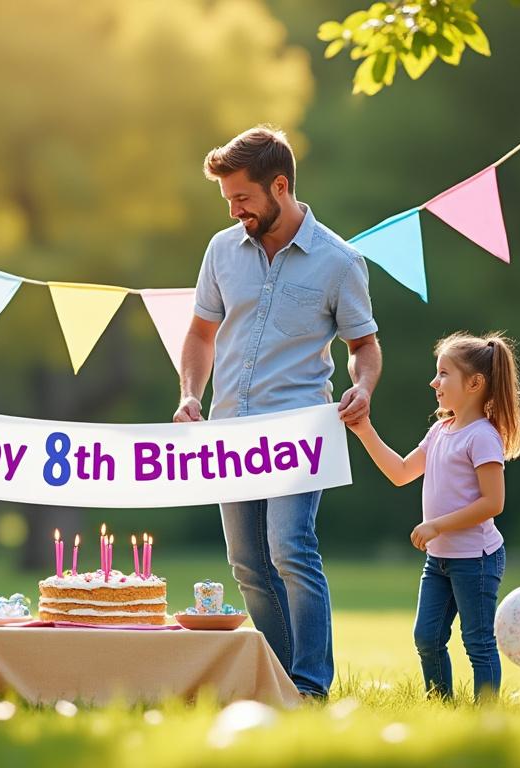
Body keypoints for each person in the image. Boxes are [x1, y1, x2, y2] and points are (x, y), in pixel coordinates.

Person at [174, 125, 382, 698]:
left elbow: (364, 346)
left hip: (299, 429)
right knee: (246, 562)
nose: (236, 210)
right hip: (230, 430)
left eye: (243, 198)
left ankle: (312, 687)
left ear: (280, 186)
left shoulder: (339, 261)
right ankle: (279, 682)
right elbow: (199, 333)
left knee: (289, 547)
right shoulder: (221, 250)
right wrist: (191, 393)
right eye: (229, 201)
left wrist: (362, 388)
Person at [346, 332, 520, 701]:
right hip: (440, 560)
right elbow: (400, 472)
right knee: (426, 637)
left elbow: (493, 503)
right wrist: (364, 431)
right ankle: (441, 705)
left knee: (477, 642)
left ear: (475, 383)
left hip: (475, 560)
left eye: (444, 374)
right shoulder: (440, 430)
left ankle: (488, 714)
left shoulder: (482, 437)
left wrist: (436, 526)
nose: (434, 382)